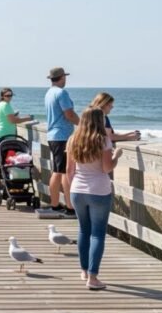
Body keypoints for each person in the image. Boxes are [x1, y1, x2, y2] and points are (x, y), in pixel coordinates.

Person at [67, 107, 123, 290]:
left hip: (77, 190)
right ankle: (93, 277)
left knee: (84, 230)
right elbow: (106, 168)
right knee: (98, 233)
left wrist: (72, 190)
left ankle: (84, 270)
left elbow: (69, 171)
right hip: (99, 190)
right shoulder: (103, 140)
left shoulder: (73, 139)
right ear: (99, 122)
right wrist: (116, 156)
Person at [45, 67, 80, 215]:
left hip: (53, 135)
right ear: (62, 77)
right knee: (63, 172)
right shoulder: (61, 93)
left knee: (58, 170)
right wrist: (84, 125)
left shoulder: (49, 93)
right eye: (65, 77)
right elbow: (69, 114)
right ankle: (68, 206)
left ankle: (56, 204)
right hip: (62, 136)